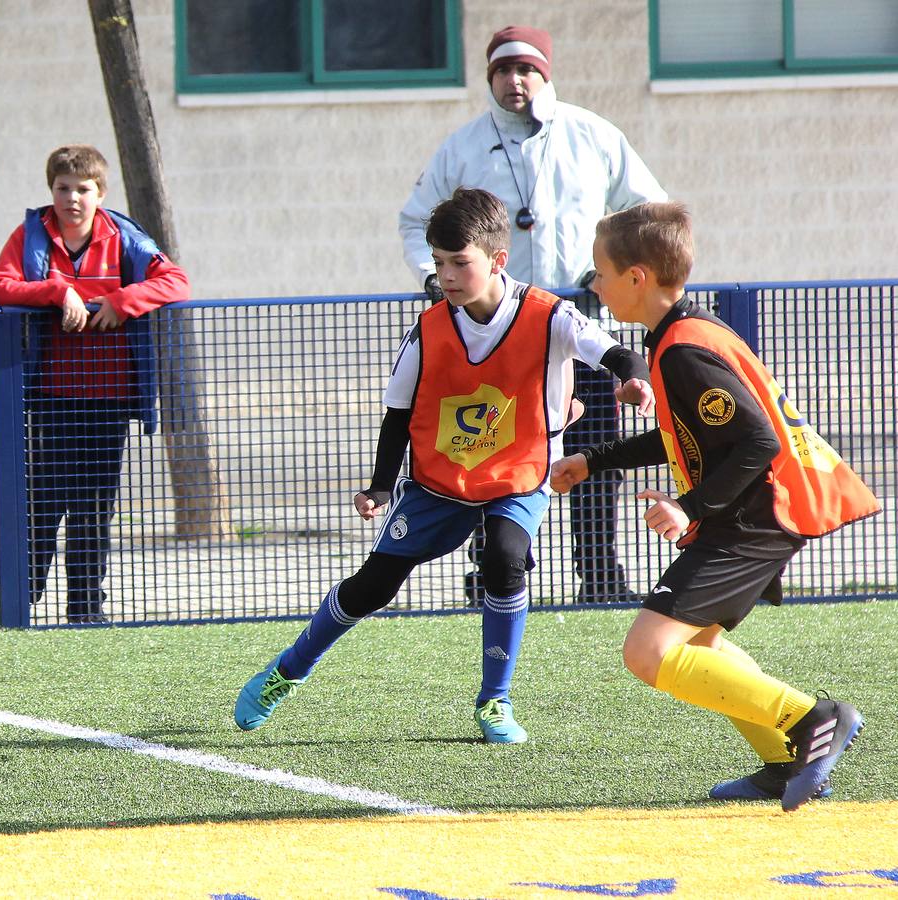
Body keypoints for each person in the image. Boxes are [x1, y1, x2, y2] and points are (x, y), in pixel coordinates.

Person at [235, 189, 654, 743]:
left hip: (520, 473)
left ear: (497, 260)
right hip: (440, 480)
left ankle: (494, 702)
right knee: (372, 588)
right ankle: (285, 673)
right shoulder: (431, 327)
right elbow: (397, 414)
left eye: (461, 262)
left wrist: (632, 377)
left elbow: (613, 351)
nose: (448, 276)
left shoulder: (549, 315)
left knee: (506, 559)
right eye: (439, 263)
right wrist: (381, 486)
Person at [551, 202, 878, 809]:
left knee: (647, 652)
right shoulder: (681, 336)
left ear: (637, 277)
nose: (592, 284)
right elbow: (684, 435)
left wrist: (690, 508)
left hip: (755, 518)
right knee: (694, 644)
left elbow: (758, 441)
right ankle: (784, 764)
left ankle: (813, 720)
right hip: (749, 515)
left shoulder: (682, 352)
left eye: (599, 271)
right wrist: (594, 462)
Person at [398, 25, 667, 604]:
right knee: (484, 451)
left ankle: (599, 574)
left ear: (547, 75)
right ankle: (492, 570)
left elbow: (649, 211)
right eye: (502, 70)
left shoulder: (592, 134)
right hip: (497, 332)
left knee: (596, 455)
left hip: (582, 322)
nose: (515, 80)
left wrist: (617, 271)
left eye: (527, 70)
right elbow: (414, 220)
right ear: (488, 77)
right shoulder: (463, 145)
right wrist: (433, 277)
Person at [0, 144, 189, 624]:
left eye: (83, 189)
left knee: (94, 508)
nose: (72, 197)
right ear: (50, 190)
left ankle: (85, 611)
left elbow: (176, 281)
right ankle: (18, 605)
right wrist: (60, 292)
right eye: (63, 188)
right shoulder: (31, 235)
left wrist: (124, 301)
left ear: (100, 193)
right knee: (42, 502)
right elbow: (1, 286)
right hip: (51, 397)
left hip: (110, 399)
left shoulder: (124, 238)